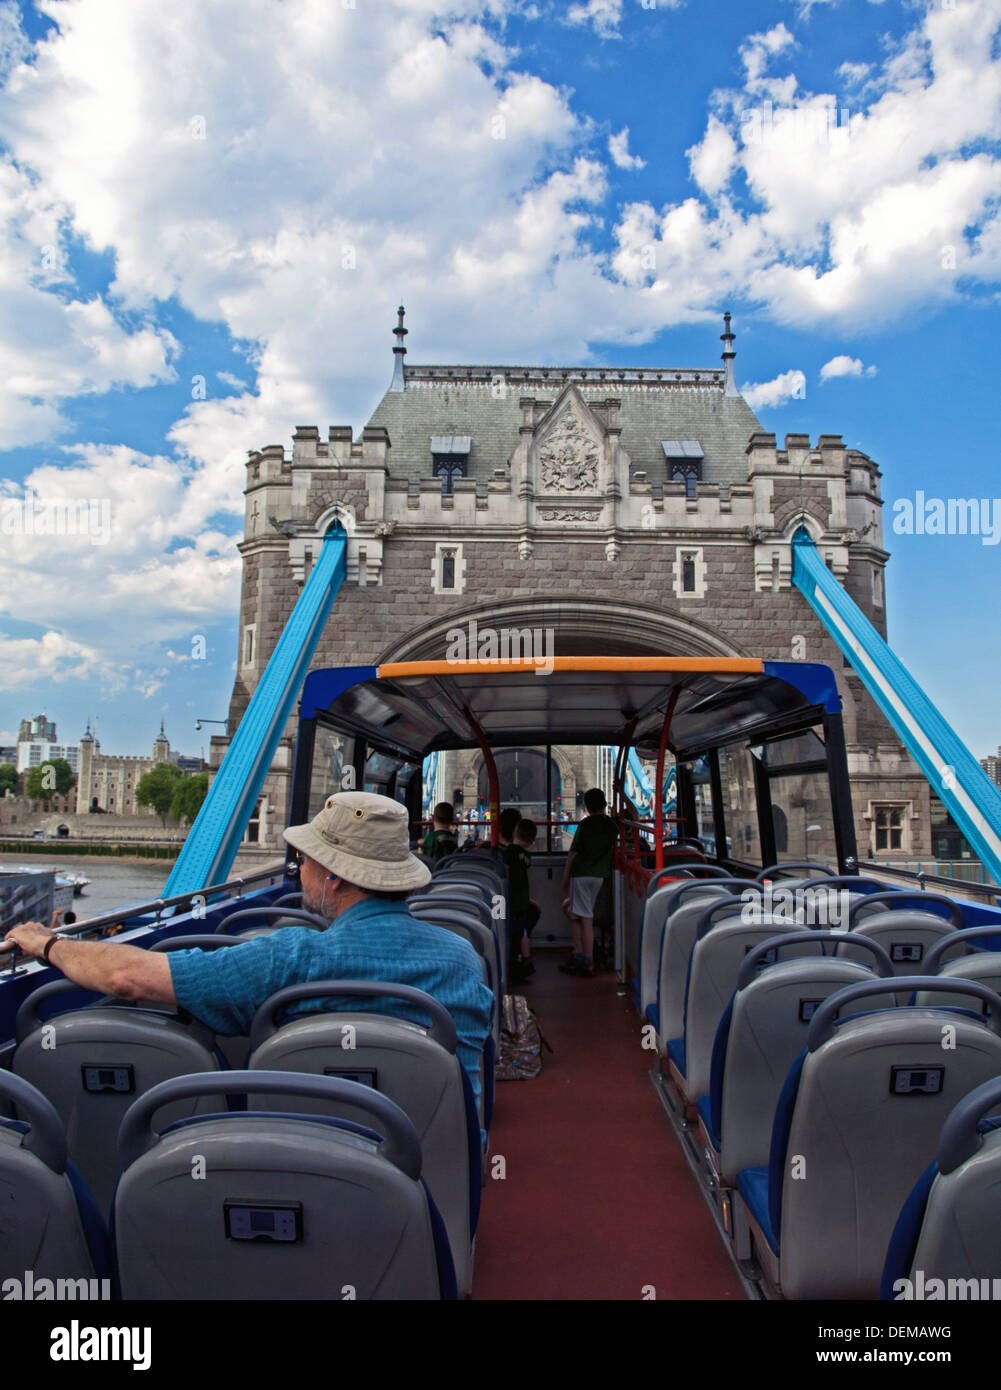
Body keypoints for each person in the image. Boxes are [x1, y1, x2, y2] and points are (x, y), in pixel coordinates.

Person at [3, 791, 494, 1111]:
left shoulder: (289, 958)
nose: (296, 870)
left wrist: (46, 942)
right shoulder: (464, 958)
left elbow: (126, 977)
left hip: (317, 1162)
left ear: (334, 875)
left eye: (303, 858)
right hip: (443, 1172)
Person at [559, 788, 618, 978]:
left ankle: (587, 959)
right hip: (600, 876)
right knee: (573, 911)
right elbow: (633, 816)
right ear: (605, 804)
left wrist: (566, 876)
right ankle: (578, 953)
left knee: (584, 918)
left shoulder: (585, 825)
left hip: (582, 873)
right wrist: (621, 794)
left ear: (586, 806)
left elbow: (573, 853)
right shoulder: (612, 825)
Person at [507, 818, 540, 982]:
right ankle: (524, 958)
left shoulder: (509, 851)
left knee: (508, 930)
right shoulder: (526, 856)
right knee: (522, 931)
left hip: (503, 901)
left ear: (514, 833)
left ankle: (519, 961)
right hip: (522, 901)